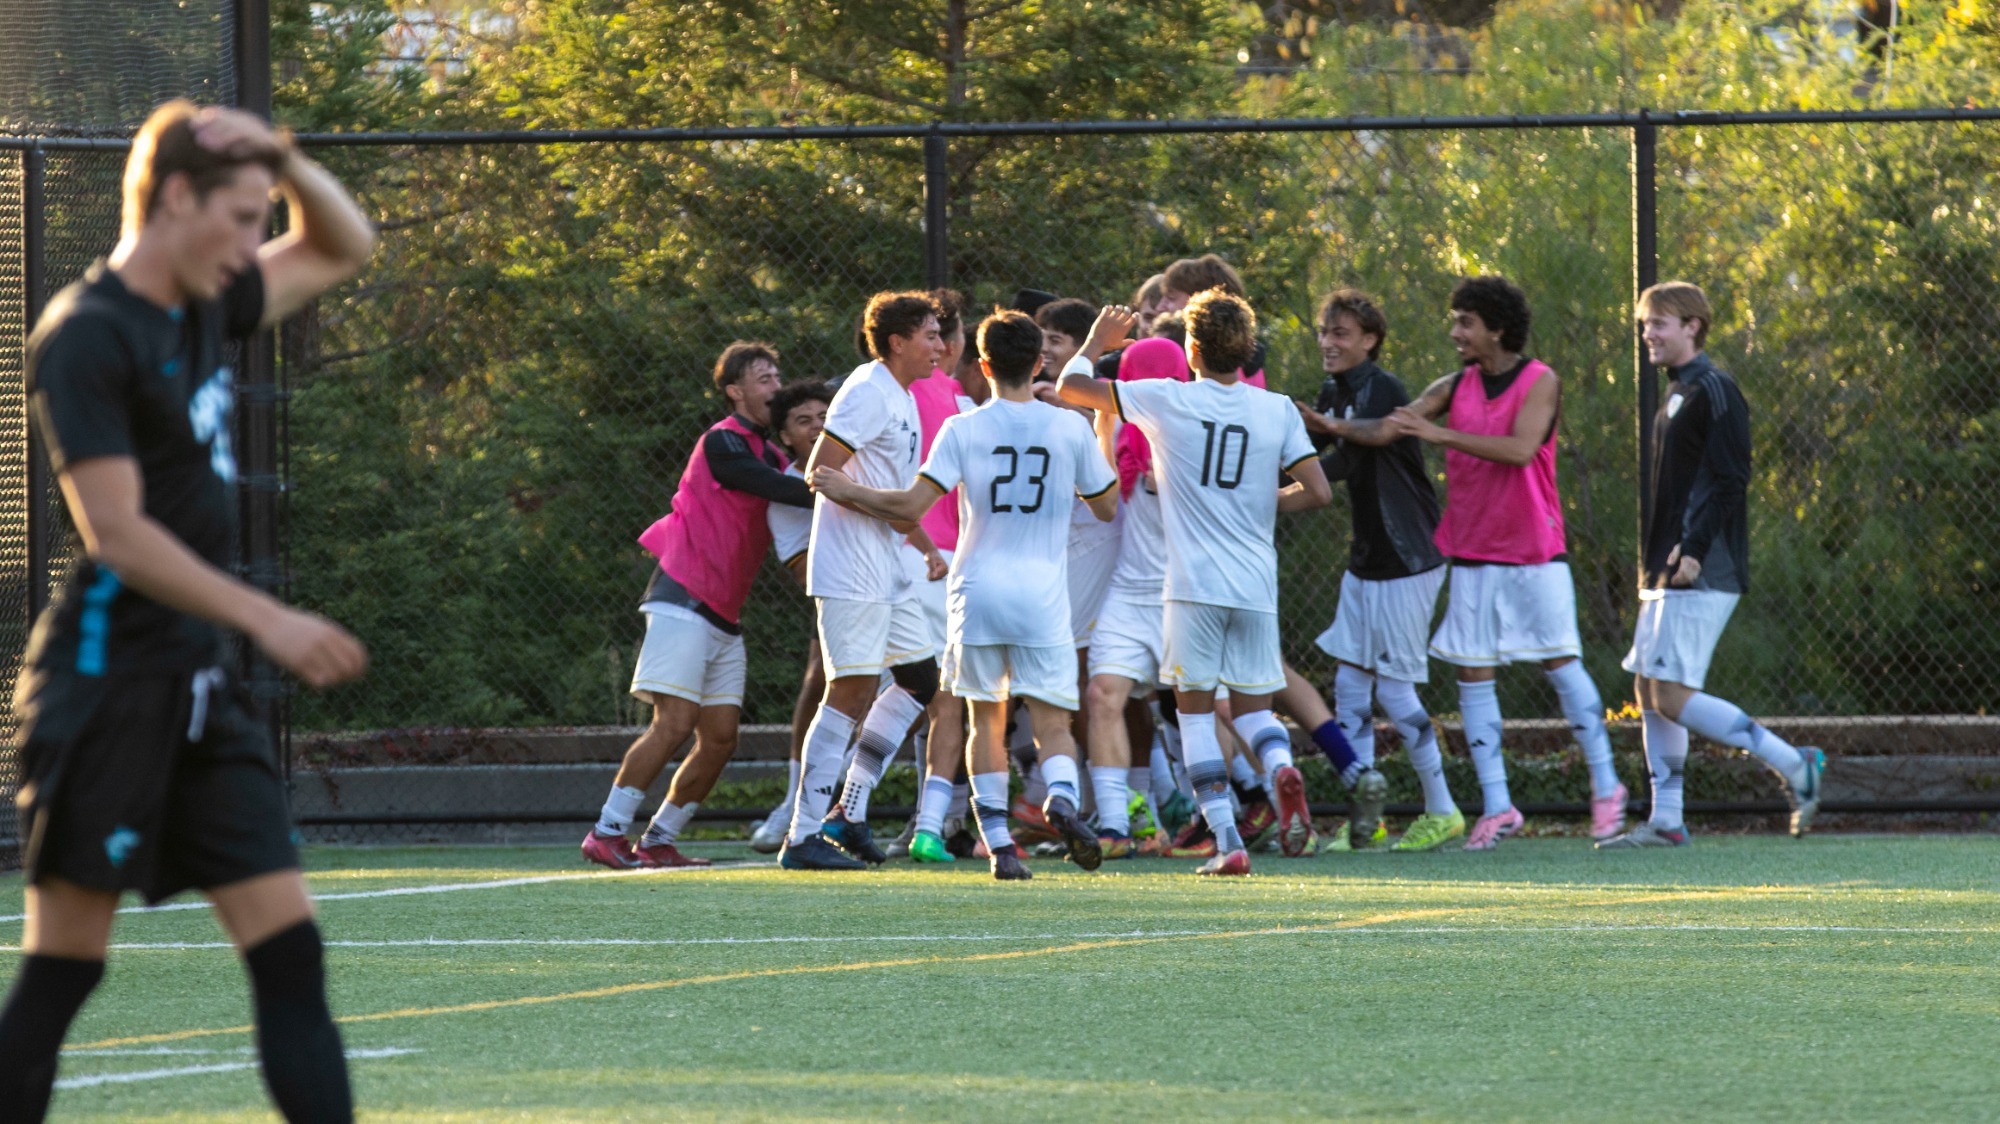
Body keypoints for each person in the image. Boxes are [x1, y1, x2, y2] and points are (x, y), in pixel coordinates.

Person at [0, 101, 374, 1122]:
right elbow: (115, 530)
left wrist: (283, 155)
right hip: (104, 685)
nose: (257, 240)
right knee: (66, 970)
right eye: (243, 215)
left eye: (263, 217)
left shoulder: (208, 301)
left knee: (291, 952)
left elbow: (346, 242)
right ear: (175, 198)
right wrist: (269, 619)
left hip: (202, 688)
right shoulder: (85, 336)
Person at [815, 309, 1120, 880]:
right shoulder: (1068, 428)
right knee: (1053, 722)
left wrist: (844, 485)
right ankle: (1060, 798)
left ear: (983, 365)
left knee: (987, 721)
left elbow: (909, 507)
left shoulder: (964, 427)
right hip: (1043, 595)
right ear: (1038, 363)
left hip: (977, 592)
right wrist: (1092, 439)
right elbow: (1105, 506)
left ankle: (1000, 846)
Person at [1061, 291, 1332, 874]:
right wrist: (1260, 503)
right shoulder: (1276, 407)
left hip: (1191, 587)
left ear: (1191, 348)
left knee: (1196, 716)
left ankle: (1228, 842)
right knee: (1256, 711)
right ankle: (1281, 764)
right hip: (1256, 583)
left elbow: (1070, 388)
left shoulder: (1168, 399)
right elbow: (1320, 491)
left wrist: (1093, 345)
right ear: (1248, 348)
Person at [1384, 276, 1627, 850]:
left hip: (1533, 551)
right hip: (1471, 549)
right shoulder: (1454, 384)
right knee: (1471, 672)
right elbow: (1398, 423)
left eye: (1466, 322)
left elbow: (1521, 450)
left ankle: (1607, 787)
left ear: (1496, 328)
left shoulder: (1540, 380)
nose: (1455, 332)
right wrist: (1321, 426)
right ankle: (1498, 806)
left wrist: (1437, 432)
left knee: (1561, 666)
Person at [1599, 282, 1824, 847]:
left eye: (1659, 323)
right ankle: (1667, 823)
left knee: (1671, 694)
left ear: (1693, 326)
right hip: (1665, 566)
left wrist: (1694, 549)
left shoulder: (1716, 389)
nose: (1648, 334)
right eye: (1645, 324)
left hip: (1702, 566)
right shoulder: (1677, 392)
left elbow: (1731, 480)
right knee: (1649, 689)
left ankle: (1796, 764)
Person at [582, 342, 807, 870]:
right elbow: (767, 485)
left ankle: (660, 839)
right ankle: (607, 831)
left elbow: (786, 485)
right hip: (682, 598)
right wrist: (833, 488)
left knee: (721, 738)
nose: (775, 385)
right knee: (674, 722)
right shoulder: (723, 443)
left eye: (778, 376)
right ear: (735, 391)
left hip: (723, 615)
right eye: (764, 378)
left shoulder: (773, 453)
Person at [780, 291, 948, 871]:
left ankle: (847, 812)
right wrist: (868, 503)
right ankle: (802, 835)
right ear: (897, 342)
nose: (940, 346)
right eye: (929, 334)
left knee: (922, 680)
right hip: (852, 567)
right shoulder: (868, 390)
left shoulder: (901, 395)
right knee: (848, 692)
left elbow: (894, 495)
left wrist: (923, 545)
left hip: (889, 566)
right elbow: (819, 471)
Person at [1292, 289, 1464, 853]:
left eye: (1340, 333)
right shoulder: (1330, 391)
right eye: (1323, 331)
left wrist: (1318, 430)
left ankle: (1443, 810)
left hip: (1408, 558)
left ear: (1369, 340)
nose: (1327, 342)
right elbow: (1320, 456)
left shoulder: (1383, 388)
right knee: (1349, 686)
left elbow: (1361, 447)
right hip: (1366, 560)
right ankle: (1366, 819)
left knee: (1395, 691)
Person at [1080, 336, 1188, 857]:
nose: (1130, 385)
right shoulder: (1122, 424)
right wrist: (1103, 423)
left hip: (1186, 595)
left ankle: (1238, 808)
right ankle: (1115, 826)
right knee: (1102, 695)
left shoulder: (1198, 431)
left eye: (1137, 374)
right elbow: (1102, 490)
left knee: (1212, 709)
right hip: (1129, 591)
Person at [895, 290, 977, 864]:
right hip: (936, 556)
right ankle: (931, 823)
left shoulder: (890, 390)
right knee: (945, 699)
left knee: (897, 695)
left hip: (895, 550)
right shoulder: (957, 401)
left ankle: (847, 810)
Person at [747, 380, 831, 854]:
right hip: (847, 601)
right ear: (784, 438)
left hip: (908, 591)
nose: (818, 427)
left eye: (824, 417)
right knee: (821, 672)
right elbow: (808, 577)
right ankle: (796, 803)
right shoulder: (786, 496)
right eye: (804, 421)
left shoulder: (870, 466)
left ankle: (936, 817)